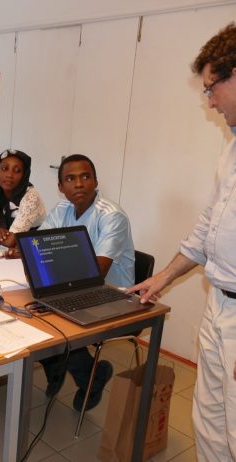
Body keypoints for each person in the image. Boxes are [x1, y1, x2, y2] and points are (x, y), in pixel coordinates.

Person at [129, 23, 236, 461]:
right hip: (220, 303)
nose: (209, 102)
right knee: (209, 422)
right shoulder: (231, 148)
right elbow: (209, 226)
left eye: (212, 88)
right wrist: (163, 278)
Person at [38, 154, 134, 412]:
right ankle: (58, 366)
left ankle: (92, 376)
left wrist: (51, 263)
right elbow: (39, 248)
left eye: (85, 177)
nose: (79, 183)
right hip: (71, 286)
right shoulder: (62, 209)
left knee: (56, 325)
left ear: (96, 181)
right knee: (31, 311)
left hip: (112, 296)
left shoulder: (112, 216)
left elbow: (96, 272)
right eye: (70, 179)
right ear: (61, 187)